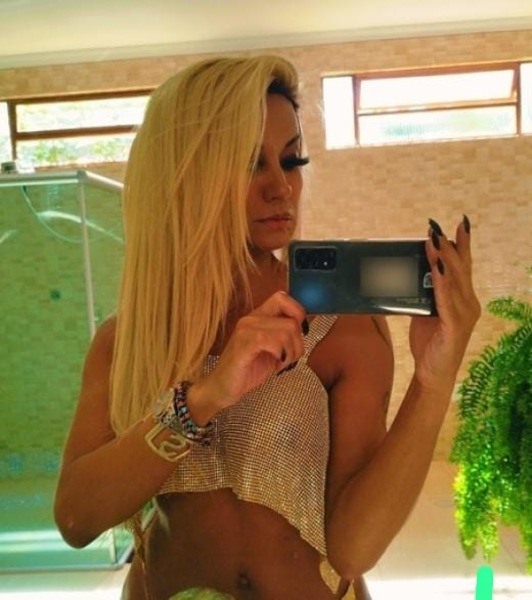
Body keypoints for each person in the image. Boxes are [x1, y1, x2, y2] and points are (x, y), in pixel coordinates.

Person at [54, 55, 481, 600]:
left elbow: (354, 549)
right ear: (185, 175)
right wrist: (203, 398)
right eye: (250, 164)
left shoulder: (341, 330)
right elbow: (76, 519)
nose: (282, 188)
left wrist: (433, 381)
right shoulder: (129, 340)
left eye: (291, 160)